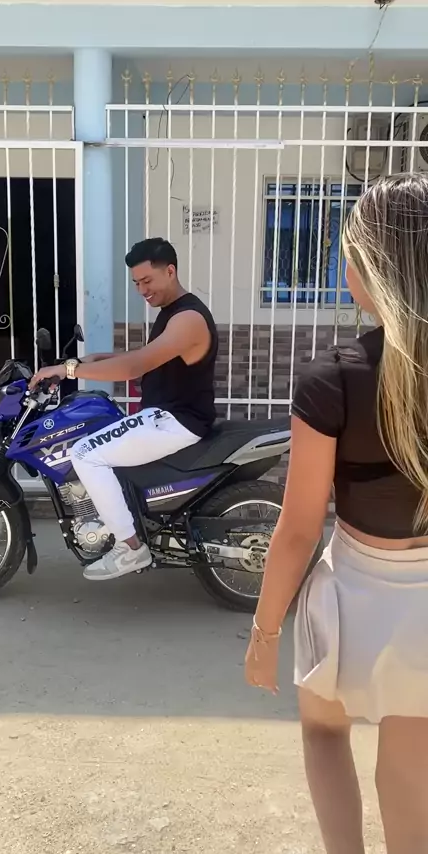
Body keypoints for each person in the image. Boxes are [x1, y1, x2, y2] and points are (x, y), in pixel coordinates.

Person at [245, 174, 428, 854]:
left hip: (350, 596)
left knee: (324, 734)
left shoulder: (334, 375)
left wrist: (264, 632)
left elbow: (298, 528)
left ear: (369, 268)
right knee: (409, 770)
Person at [30, 237, 218, 581]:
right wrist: (89, 360)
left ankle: (130, 548)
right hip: (163, 416)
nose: (142, 290)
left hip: (176, 420)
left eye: (147, 281)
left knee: (85, 453)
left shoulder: (188, 318)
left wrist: (69, 371)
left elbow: (135, 366)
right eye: (136, 283)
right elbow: (147, 358)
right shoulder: (172, 314)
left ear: (170, 271)